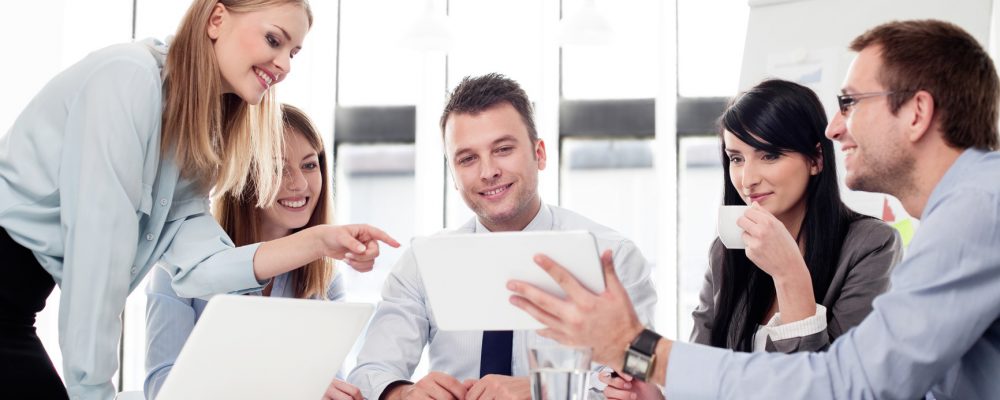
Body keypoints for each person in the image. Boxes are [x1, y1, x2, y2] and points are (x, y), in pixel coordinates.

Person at [509, 19, 1000, 399]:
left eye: (849, 102)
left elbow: (850, 385)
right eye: (736, 158)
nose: (835, 127)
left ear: (917, 112)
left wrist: (636, 346)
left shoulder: (975, 211)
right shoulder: (968, 206)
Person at [0, 1, 397, 398]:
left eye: (292, 53)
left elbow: (202, 267)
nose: (285, 66)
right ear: (216, 19)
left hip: (15, 312)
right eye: (274, 40)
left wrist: (319, 241)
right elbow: (97, 259)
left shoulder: (197, 133)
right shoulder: (129, 79)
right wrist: (93, 393)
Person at [345, 73, 657, 400]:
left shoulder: (612, 256)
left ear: (540, 154)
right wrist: (402, 394)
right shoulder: (422, 264)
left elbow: (642, 375)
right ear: (453, 174)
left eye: (503, 149)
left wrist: (543, 391)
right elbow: (370, 373)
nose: (488, 171)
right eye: (467, 159)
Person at [600, 79, 903, 400]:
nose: (748, 179)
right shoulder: (727, 250)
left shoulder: (871, 245)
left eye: (769, 156)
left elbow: (831, 390)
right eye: (736, 158)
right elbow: (703, 381)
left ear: (816, 159)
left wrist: (790, 275)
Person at [143, 104, 364, 400]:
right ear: (244, 176)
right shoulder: (181, 266)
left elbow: (332, 385)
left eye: (310, 165)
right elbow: (161, 388)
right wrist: (287, 387)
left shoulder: (325, 279)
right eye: (276, 167)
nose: (298, 183)